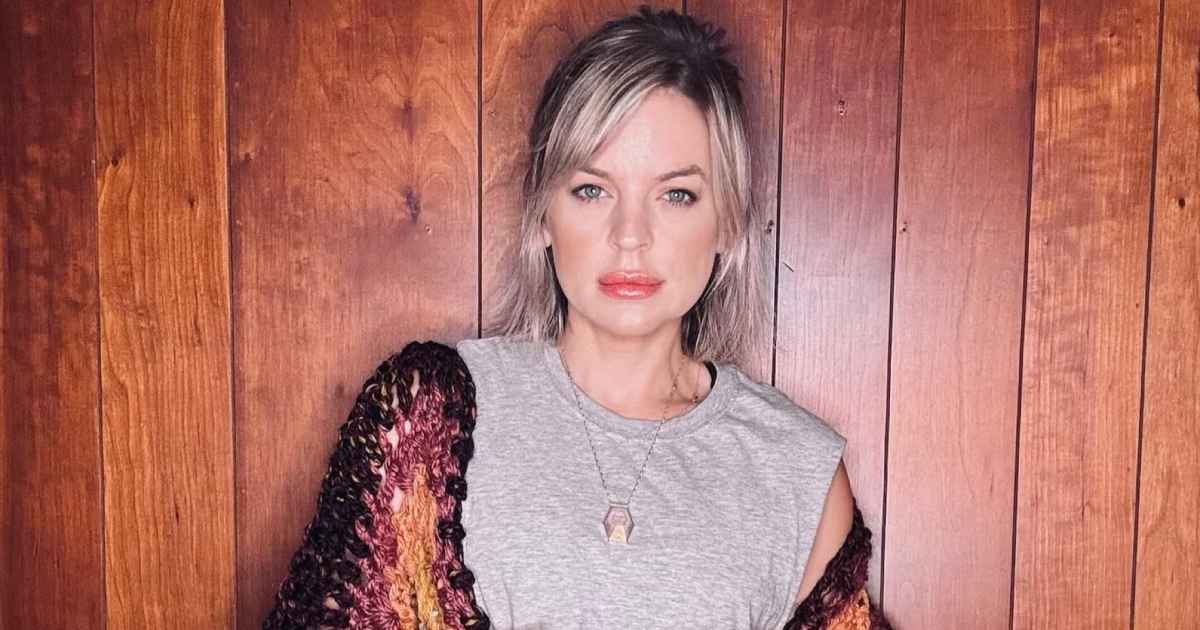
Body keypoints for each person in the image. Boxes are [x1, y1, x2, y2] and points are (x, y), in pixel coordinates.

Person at [263, 6, 890, 630]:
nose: (630, 235)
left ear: (725, 222)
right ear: (543, 213)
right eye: (592, 189)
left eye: (676, 194)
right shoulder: (431, 416)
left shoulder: (798, 469)